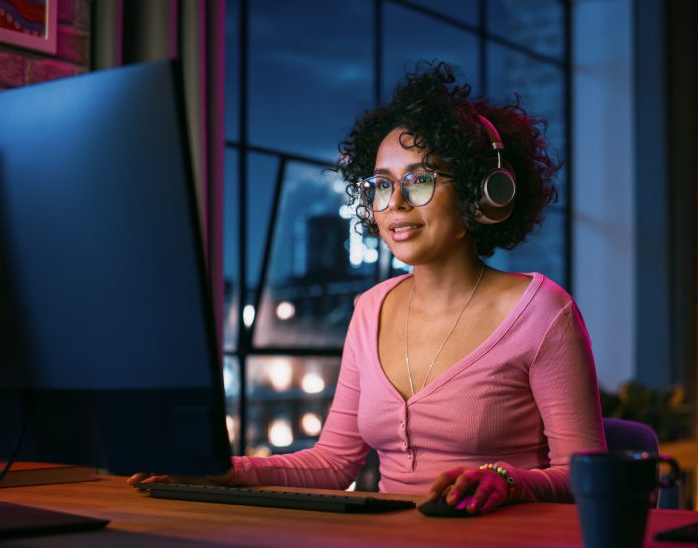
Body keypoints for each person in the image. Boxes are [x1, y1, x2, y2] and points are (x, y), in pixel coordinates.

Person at [130, 62, 605, 515]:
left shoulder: (542, 312)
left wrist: (508, 480)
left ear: (481, 193)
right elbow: (334, 463)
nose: (394, 203)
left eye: (420, 181)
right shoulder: (370, 308)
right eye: (381, 184)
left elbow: (586, 475)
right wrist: (224, 472)